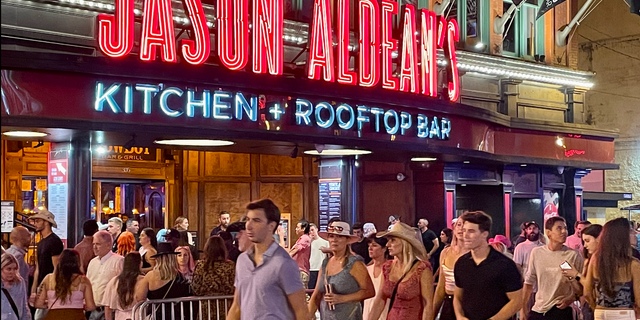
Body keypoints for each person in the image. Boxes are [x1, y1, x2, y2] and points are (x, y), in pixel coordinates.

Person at [227, 199, 309, 320]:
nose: (248, 226)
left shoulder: (284, 263)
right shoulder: (243, 260)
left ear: (271, 226)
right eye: (248, 219)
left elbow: (301, 311)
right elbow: (237, 306)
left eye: (256, 220)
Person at [453, 211, 523, 320]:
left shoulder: (504, 264)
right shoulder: (461, 263)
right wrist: (459, 316)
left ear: (484, 234)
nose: (465, 235)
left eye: (471, 231)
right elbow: (457, 296)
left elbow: (517, 301)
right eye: (464, 231)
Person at [308, 221, 375, 320]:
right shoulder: (325, 263)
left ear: (347, 240)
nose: (334, 240)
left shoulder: (354, 263)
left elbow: (369, 291)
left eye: (339, 237)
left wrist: (342, 298)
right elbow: (317, 294)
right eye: (331, 236)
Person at [367, 222, 433, 320]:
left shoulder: (422, 268)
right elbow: (380, 300)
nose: (388, 244)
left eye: (392, 240)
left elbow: (427, 304)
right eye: (388, 240)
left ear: (405, 242)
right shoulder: (387, 267)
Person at [522, 216, 584, 320]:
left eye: (565, 228)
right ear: (548, 232)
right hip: (539, 309)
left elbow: (582, 287)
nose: (564, 231)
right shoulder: (537, 253)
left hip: (561, 309)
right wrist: (523, 309)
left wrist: (571, 298)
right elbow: (528, 283)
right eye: (559, 228)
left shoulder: (573, 255)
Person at [582, 218, 640, 320]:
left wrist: (595, 307)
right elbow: (639, 299)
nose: (635, 233)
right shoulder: (633, 264)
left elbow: (587, 292)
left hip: (601, 312)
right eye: (631, 230)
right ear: (623, 236)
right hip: (624, 313)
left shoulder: (596, 259)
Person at [135, 242, 192, 320]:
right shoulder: (178, 276)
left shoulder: (150, 276)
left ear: (158, 259)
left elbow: (139, 297)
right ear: (172, 258)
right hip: (175, 315)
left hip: (156, 315)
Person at [35, 249, 96, 320]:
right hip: (76, 316)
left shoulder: (48, 279)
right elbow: (91, 306)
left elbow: (38, 304)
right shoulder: (83, 281)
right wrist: (79, 305)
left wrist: (50, 304)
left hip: (53, 316)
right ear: (77, 263)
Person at [29, 208, 64, 320]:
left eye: (38, 221)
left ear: (46, 222)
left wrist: (52, 288)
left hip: (49, 287)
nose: (35, 224)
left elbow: (56, 268)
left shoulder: (54, 241)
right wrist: (34, 290)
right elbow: (38, 268)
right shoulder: (41, 243)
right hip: (42, 285)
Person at [191, 236, 235, 320]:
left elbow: (196, 287)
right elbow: (234, 286)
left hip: (206, 306)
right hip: (225, 305)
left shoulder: (201, 265)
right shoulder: (230, 265)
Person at [87, 231, 124, 320]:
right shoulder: (92, 262)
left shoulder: (119, 261)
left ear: (108, 245)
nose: (94, 247)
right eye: (93, 244)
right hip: (92, 310)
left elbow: (123, 285)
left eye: (98, 244)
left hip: (110, 311)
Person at [433, 219, 466, 320]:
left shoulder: (476, 254)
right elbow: (441, 287)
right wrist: (432, 314)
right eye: (458, 224)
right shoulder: (445, 252)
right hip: (449, 304)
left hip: (468, 305)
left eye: (464, 225)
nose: (461, 228)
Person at [101, 252, 144, 320]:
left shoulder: (114, 281)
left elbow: (107, 307)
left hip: (120, 317)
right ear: (139, 263)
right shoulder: (143, 280)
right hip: (137, 316)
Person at [362, 234, 391, 320]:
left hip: (385, 314)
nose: (370, 248)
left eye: (374, 245)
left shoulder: (390, 269)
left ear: (384, 249)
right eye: (369, 245)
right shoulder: (367, 269)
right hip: (367, 314)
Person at [2, 253, 31, 320]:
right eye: (9, 269)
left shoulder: (20, 282)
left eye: (15, 269)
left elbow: (24, 306)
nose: (12, 272)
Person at [289, 219, 312, 289]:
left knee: (303, 293)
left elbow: (295, 250)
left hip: (301, 271)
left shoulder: (305, 238)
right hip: (296, 270)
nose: (296, 229)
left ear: (303, 228)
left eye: (298, 227)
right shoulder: (301, 239)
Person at [309, 223, 329, 290]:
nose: (311, 232)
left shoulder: (325, 242)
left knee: (320, 288)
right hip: (310, 268)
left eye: (312, 230)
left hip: (320, 268)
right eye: (309, 231)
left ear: (316, 230)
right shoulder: (307, 243)